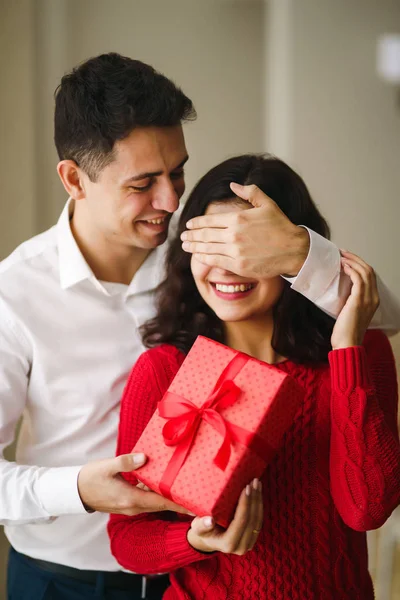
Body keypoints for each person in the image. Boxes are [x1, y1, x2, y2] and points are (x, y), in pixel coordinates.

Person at [0, 51, 399, 600]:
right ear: (74, 179)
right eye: (143, 183)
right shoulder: (13, 295)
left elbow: (383, 317)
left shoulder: (207, 251)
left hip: (191, 574)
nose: (169, 203)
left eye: (178, 172)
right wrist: (80, 489)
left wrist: (300, 253)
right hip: (67, 577)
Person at [108, 154, 400, 600]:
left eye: (246, 248)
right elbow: (128, 539)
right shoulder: (165, 369)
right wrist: (191, 541)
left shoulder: (356, 354)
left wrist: (347, 351)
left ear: (291, 254)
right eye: (212, 246)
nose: (227, 267)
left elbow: (367, 509)